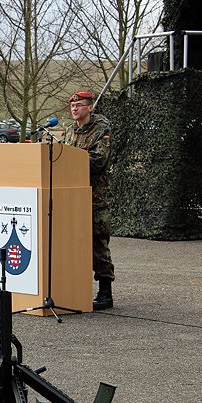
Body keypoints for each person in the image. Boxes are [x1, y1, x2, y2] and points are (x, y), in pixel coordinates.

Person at [64, 91, 114, 310]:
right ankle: (72, 289)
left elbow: (98, 161)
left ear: (90, 107)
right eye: (73, 106)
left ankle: (105, 293)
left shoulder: (101, 130)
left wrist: (70, 160)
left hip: (94, 197)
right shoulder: (69, 132)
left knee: (97, 243)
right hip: (70, 196)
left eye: (80, 105)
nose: (75, 109)